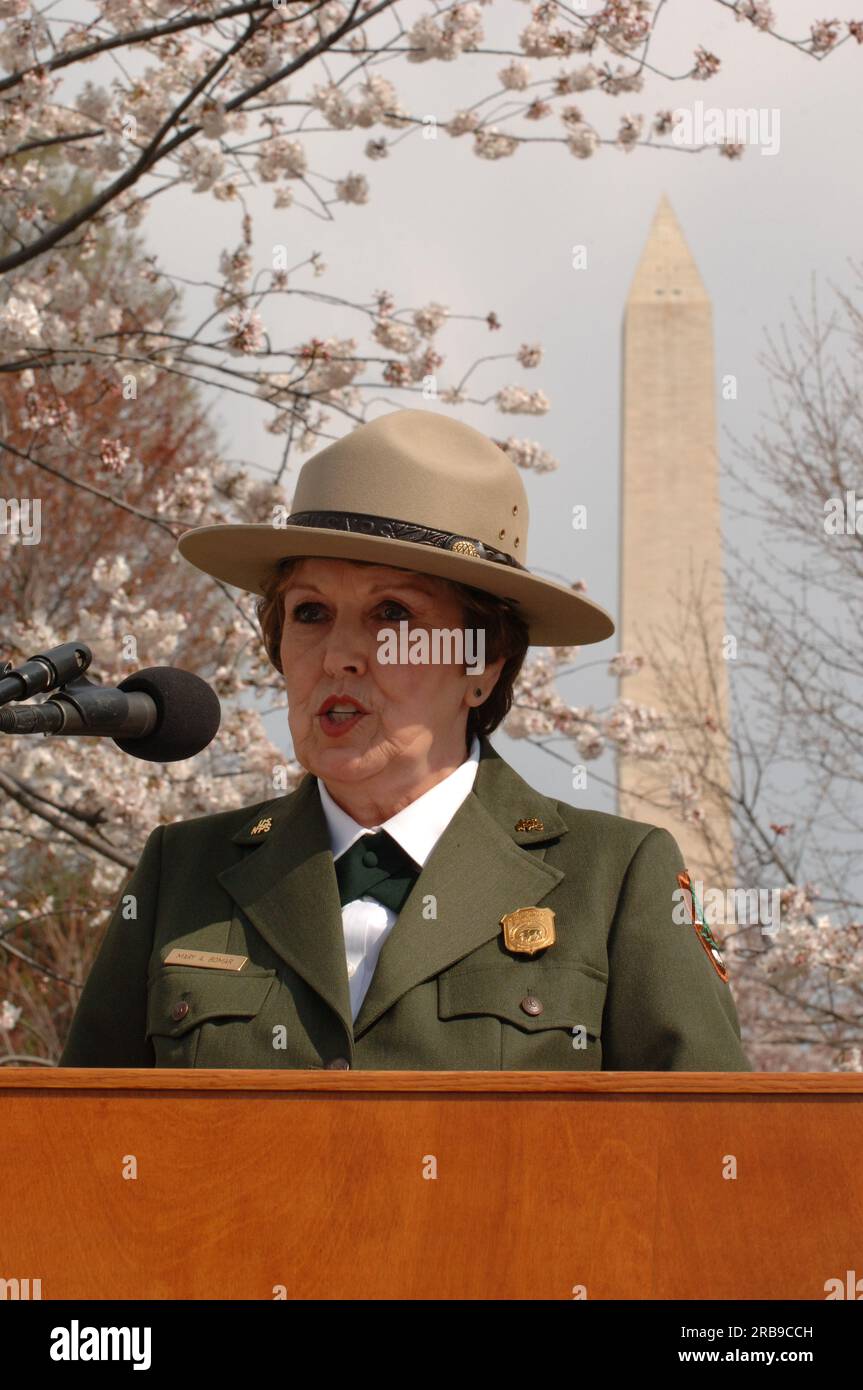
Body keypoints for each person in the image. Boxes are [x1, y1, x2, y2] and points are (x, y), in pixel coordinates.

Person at [59, 408, 751, 1071]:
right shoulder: (181, 874)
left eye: (392, 613)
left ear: (482, 663)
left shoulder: (612, 880)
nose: (339, 656)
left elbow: (710, 1158)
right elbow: (72, 1155)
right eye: (310, 613)